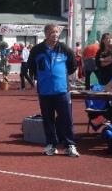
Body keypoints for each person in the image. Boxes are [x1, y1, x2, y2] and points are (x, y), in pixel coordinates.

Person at [27, 24, 79, 157]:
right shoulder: (37, 50)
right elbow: (31, 66)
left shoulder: (65, 48)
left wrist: (62, 77)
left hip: (62, 91)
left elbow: (73, 66)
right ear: (46, 34)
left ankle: (69, 145)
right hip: (44, 91)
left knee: (66, 119)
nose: (55, 34)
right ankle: (51, 144)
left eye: (57, 32)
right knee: (48, 119)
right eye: (52, 32)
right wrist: (40, 78)